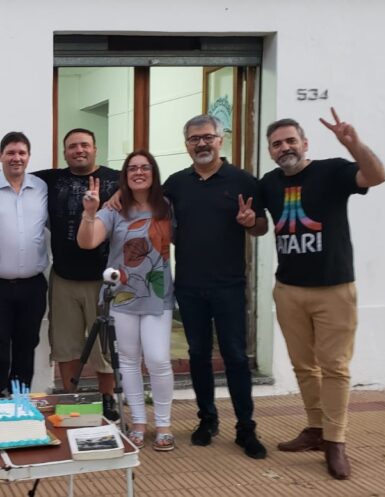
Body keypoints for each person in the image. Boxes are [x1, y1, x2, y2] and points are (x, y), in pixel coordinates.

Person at [260, 109, 385, 480]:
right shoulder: (268, 184)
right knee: (304, 366)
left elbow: (377, 176)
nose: (284, 148)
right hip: (288, 290)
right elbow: (259, 227)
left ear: (305, 143)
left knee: (335, 367)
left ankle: (335, 441)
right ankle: (315, 429)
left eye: (290, 141)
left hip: (334, 289)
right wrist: (249, 222)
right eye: (277, 144)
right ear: (270, 151)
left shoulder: (332, 170)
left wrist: (354, 144)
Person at [163, 114, 269, 459]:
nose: (201, 144)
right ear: (187, 145)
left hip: (229, 286)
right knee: (198, 355)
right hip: (189, 285)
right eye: (194, 139)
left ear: (220, 140)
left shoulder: (243, 181)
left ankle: (245, 427)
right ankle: (207, 420)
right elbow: (156, 217)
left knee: (235, 356)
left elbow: (262, 226)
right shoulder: (176, 184)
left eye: (207, 137)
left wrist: (250, 223)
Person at [77, 150, 175, 452]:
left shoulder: (167, 206)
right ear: (125, 175)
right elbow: (87, 241)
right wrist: (90, 212)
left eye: (145, 167)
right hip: (122, 295)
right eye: (132, 168)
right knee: (129, 361)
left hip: (157, 295)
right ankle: (138, 423)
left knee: (158, 359)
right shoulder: (114, 209)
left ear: (153, 173)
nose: (139, 172)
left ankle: (164, 423)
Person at [35, 128, 120, 417]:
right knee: (65, 344)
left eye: (84, 145)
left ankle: (107, 399)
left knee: (103, 346)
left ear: (95, 148)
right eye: (72, 146)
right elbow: (16, 173)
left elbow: (147, 190)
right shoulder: (51, 179)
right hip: (64, 278)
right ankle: (72, 399)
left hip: (102, 280)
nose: (79, 150)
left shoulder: (117, 180)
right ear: (64, 152)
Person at [0, 132, 49, 397]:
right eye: (11, 153)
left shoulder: (41, 187)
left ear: (29, 157)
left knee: (27, 344)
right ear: (0, 156)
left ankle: (20, 398)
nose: (16, 158)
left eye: (21, 153)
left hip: (32, 286)